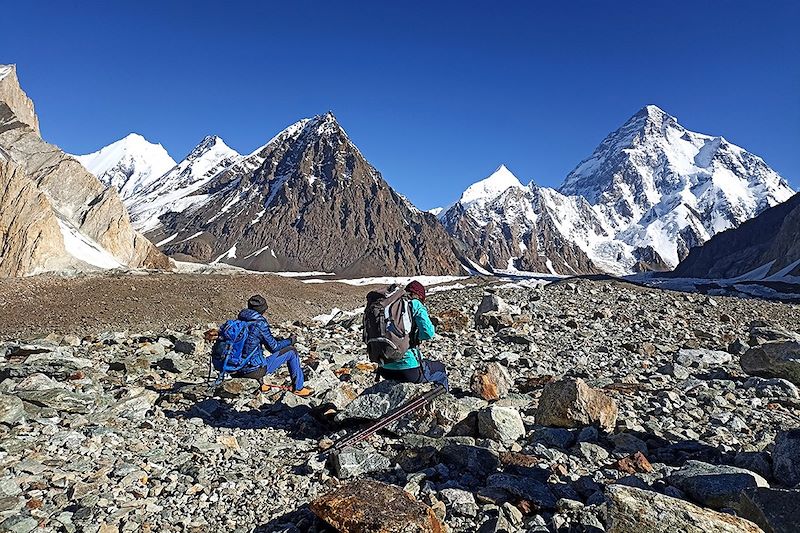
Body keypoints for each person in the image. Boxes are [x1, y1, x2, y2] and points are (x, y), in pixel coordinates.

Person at [235, 294, 314, 397]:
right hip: (252, 371)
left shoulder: (238, 322)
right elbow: (274, 347)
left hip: (234, 369)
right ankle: (298, 388)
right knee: (291, 351)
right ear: (262, 310)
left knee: (252, 352)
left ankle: (260, 384)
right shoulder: (259, 324)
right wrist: (290, 341)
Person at [376, 281, 449, 390]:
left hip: (384, 369)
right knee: (441, 370)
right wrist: (415, 338)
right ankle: (442, 402)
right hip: (408, 369)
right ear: (420, 296)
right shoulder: (415, 304)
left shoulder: (389, 306)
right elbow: (428, 332)